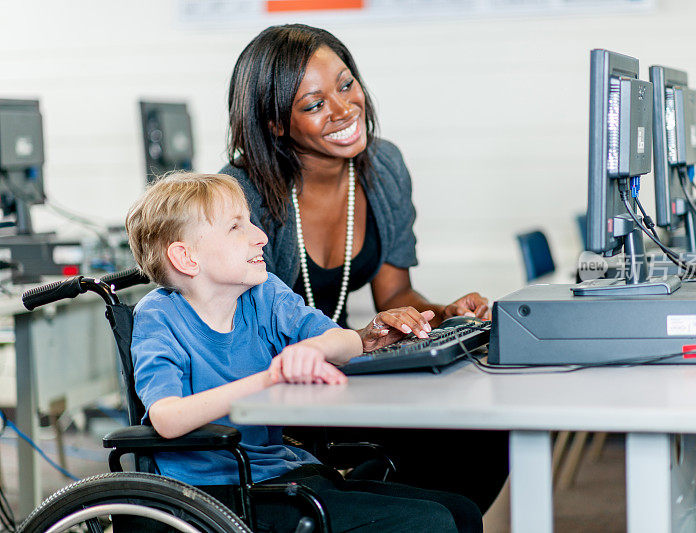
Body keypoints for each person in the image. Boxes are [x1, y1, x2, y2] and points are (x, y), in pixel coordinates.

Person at [222, 23, 508, 513]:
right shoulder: (243, 195)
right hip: (277, 391)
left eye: (346, 83)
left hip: (344, 371)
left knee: (483, 434)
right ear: (275, 124)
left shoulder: (384, 166)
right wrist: (359, 339)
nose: (343, 109)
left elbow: (394, 292)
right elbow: (245, 335)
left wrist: (440, 314)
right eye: (314, 105)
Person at [125, 172, 482, 533]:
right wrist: (271, 378)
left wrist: (313, 349)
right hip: (215, 494)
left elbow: (345, 341)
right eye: (236, 227)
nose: (260, 236)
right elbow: (167, 419)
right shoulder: (159, 317)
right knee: (433, 523)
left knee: (461, 512)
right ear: (186, 258)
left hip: (282, 471)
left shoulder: (263, 293)